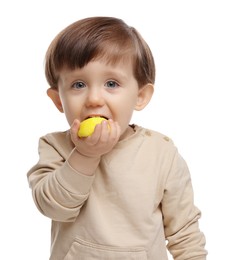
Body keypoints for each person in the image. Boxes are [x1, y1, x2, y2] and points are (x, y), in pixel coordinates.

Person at [27, 16, 207, 260]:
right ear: (59, 99)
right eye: (78, 84)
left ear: (140, 96)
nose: (93, 99)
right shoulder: (55, 147)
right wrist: (84, 155)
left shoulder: (161, 153)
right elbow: (54, 207)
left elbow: (184, 232)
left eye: (111, 83)